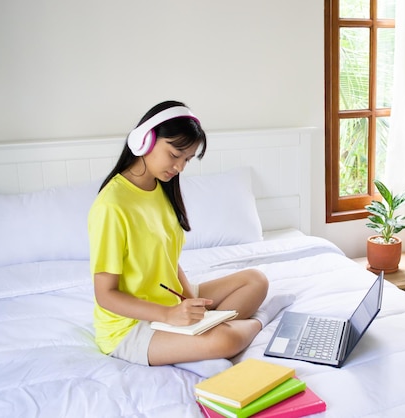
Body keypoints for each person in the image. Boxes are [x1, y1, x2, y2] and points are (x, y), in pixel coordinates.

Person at [88, 100, 294, 376]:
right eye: (174, 155)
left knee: (255, 280)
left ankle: (206, 332)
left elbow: (166, 261)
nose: (180, 167)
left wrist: (187, 303)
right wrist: (169, 316)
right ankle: (259, 321)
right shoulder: (111, 205)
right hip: (131, 327)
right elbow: (105, 295)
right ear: (145, 140)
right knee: (226, 339)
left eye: (186, 160)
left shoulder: (160, 188)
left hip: (170, 301)